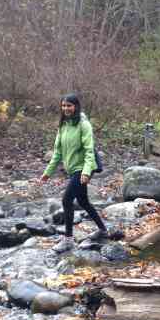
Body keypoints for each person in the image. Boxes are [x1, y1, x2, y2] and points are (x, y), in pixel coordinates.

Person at [40, 93, 108, 252]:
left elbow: (89, 150)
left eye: (69, 105)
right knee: (83, 201)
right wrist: (47, 172)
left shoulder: (84, 125)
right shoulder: (63, 125)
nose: (66, 108)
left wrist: (86, 171)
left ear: (76, 106)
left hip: (84, 167)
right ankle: (103, 230)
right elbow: (57, 153)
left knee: (66, 200)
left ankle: (68, 239)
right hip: (73, 169)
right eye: (63, 105)